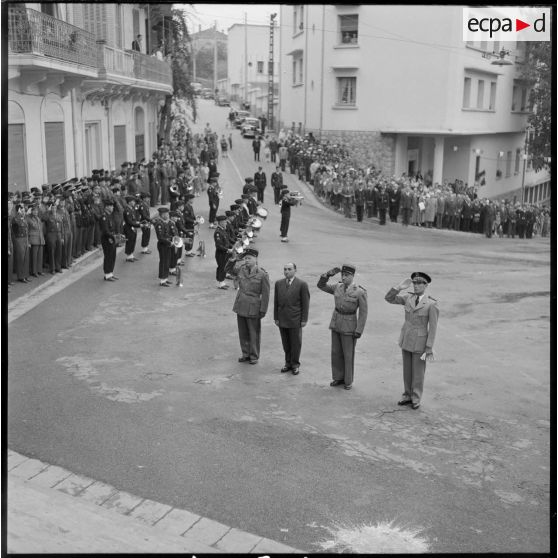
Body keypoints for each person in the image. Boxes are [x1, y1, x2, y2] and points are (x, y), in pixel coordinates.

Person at [384, 272, 439, 409]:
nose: (416, 285)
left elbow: (433, 328)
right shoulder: (408, 297)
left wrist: (429, 347)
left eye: (420, 283)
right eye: (414, 282)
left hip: (420, 341)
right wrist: (399, 287)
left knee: (418, 372)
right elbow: (389, 298)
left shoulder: (431, 304)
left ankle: (416, 397)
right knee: (407, 370)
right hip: (407, 338)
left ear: (426, 285)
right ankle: (407, 395)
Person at [317, 264, 368, 390]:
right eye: (342, 275)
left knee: (348, 354)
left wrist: (359, 330)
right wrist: (327, 276)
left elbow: (363, 312)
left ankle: (348, 381)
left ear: (352, 276)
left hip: (349, 325)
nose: (344, 278)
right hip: (336, 322)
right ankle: (338, 377)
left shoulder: (359, 291)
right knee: (336, 352)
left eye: (347, 275)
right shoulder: (337, 287)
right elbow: (321, 286)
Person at [233, 248, 270, 365]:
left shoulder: (262, 274)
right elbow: (228, 270)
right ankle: (245, 353)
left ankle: (254, 355)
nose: (247, 260)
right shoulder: (241, 269)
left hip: (254, 306)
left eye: (249, 258)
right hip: (241, 304)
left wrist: (263, 310)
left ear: (256, 259)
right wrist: (234, 260)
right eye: (245, 258)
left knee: (253, 332)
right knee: (242, 331)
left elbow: (266, 294)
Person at [273, 262, 310, 375]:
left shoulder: (302, 284)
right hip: (282, 318)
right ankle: (287, 363)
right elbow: (276, 302)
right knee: (286, 343)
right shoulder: (278, 283)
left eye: (289, 269)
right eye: (285, 269)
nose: (286, 271)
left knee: (295, 343)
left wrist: (304, 319)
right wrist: (276, 317)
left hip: (295, 319)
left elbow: (305, 303)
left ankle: (295, 364)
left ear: (295, 270)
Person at [99, 199, 119, 282]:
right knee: (108, 256)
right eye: (111, 206)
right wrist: (113, 236)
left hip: (112, 238)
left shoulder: (110, 215)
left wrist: (116, 235)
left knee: (113, 256)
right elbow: (105, 230)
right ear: (107, 207)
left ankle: (110, 273)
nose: (113, 207)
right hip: (107, 239)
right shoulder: (104, 216)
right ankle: (107, 274)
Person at [153, 207, 173, 287]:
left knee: (167, 261)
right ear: (162, 215)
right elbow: (160, 237)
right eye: (166, 214)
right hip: (163, 245)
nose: (168, 215)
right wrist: (169, 242)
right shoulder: (159, 224)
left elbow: (168, 234)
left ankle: (165, 278)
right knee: (163, 262)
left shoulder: (166, 222)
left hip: (167, 244)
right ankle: (162, 280)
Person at [214, 215, 231, 290]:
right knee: (221, 267)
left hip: (225, 252)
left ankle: (222, 281)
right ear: (220, 222)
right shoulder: (218, 232)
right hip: (221, 253)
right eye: (224, 222)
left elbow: (227, 241)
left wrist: (230, 247)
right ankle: (220, 283)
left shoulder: (223, 230)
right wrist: (227, 249)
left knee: (224, 267)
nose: (226, 223)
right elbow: (219, 245)